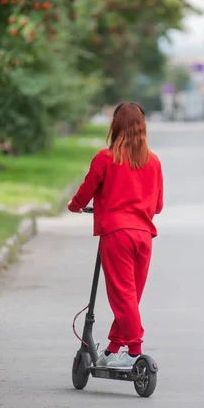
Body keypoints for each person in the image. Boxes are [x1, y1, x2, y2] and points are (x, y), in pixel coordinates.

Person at [67, 103, 164, 369]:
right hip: (143, 237)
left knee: (123, 296)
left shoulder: (105, 158)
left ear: (115, 126)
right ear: (143, 127)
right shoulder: (153, 162)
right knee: (130, 297)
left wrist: (75, 206)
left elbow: (86, 191)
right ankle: (112, 349)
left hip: (117, 235)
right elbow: (157, 206)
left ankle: (134, 352)